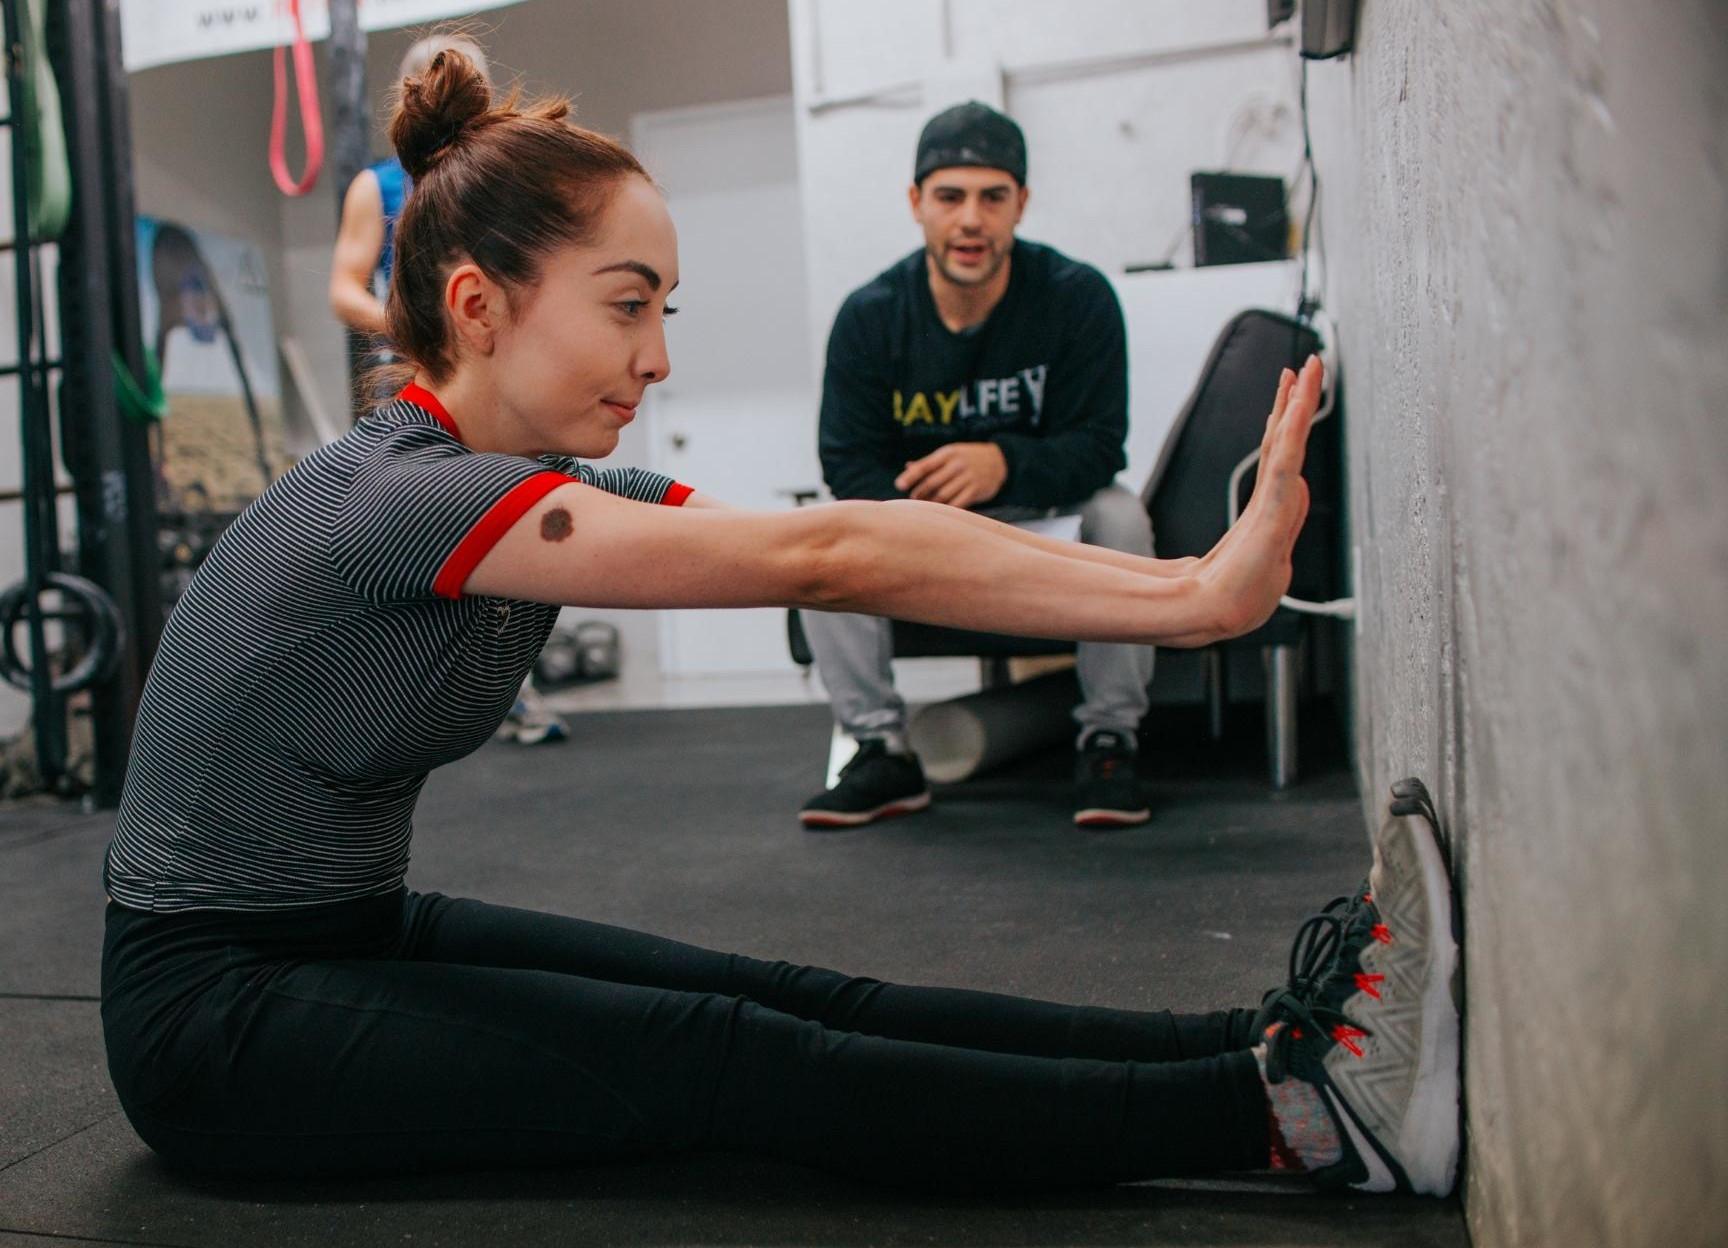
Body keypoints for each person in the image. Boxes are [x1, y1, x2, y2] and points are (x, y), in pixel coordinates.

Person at [100, 49, 1460, 1198]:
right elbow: (832, 541)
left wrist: (1195, 589)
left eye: (664, 312)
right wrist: (1196, 599)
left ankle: (1260, 1042)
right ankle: (1294, 1125)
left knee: (793, 996)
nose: (659, 357)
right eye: (628, 307)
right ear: (479, 306)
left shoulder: (541, 486)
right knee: (721, 1057)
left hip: (348, 933)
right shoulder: (407, 498)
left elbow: (854, 551)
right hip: (215, 1020)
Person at [800, 101, 1156, 833]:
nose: (971, 220)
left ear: (1020, 203)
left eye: (993, 197)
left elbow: (1100, 444)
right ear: (916, 204)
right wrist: (927, 522)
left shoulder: (1076, 296)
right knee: (813, 529)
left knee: (1121, 515)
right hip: (918, 521)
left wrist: (1002, 463)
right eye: (950, 197)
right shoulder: (870, 315)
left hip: (1037, 513)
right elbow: (847, 461)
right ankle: (879, 748)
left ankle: (1109, 739)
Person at [328, 32, 566, 745]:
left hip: (495, 373)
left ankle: (506, 688)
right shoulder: (378, 187)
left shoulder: (504, 178)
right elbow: (344, 288)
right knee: (415, 527)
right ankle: (405, 693)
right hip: (416, 381)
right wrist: (418, 329)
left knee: (513, 514)